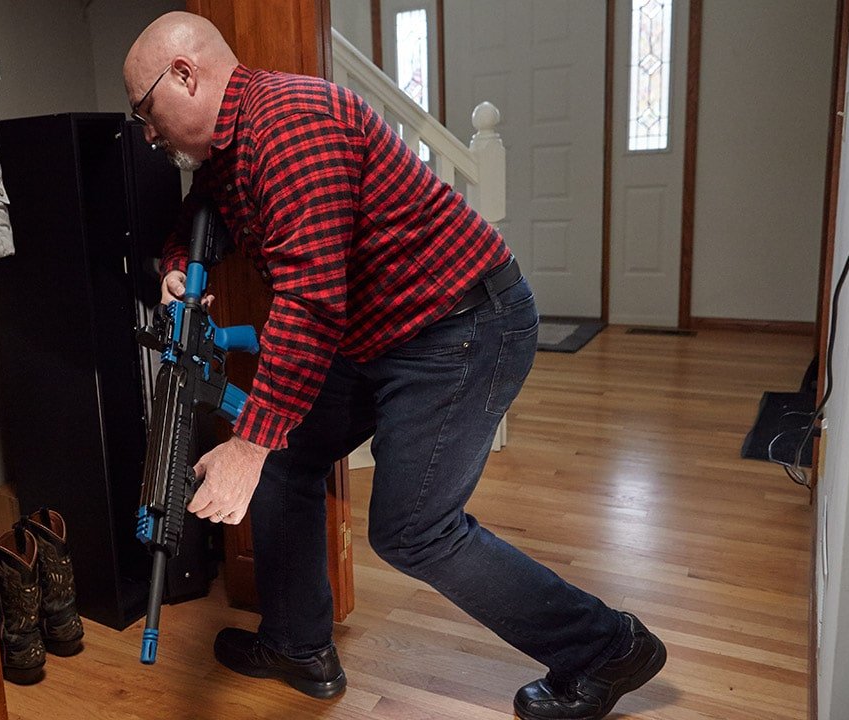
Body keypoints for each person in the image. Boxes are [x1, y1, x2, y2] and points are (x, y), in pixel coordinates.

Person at [123, 12, 667, 720]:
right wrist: (174, 269)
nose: (148, 132)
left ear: (185, 76)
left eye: (145, 111)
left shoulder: (291, 126)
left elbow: (311, 302)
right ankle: (298, 646)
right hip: (380, 335)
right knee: (289, 465)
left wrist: (250, 443)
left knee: (413, 530)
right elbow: (203, 216)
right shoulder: (233, 145)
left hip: (461, 327)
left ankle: (607, 648)